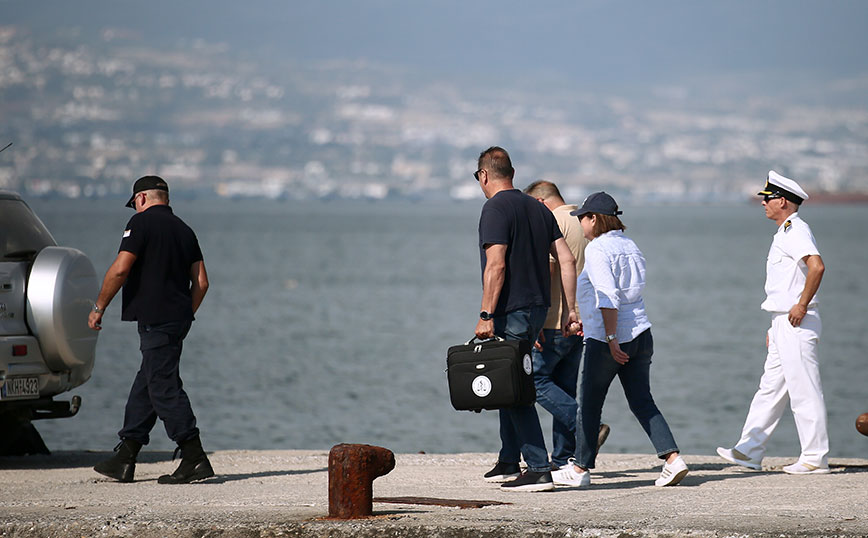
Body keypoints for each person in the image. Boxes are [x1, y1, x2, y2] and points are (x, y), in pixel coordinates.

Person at [552, 192, 689, 488]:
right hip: (641, 332)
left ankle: (579, 471)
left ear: (593, 219)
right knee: (642, 401)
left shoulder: (598, 249)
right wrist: (582, 320)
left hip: (609, 340)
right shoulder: (631, 245)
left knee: (589, 404)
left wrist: (611, 338)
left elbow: (609, 297)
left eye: (583, 219)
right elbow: (627, 294)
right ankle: (673, 459)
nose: (581, 225)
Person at [88, 175, 214, 484]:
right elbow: (201, 283)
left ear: (141, 199)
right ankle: (126, 455)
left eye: (135, 203)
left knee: (163, 386)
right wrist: (183, 314)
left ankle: (194, 456)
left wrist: (98, 307)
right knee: (147, 382)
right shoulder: (185, 230)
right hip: (177, 319)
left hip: (156, 320)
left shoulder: (140, 223)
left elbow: (121, 268)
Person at [474, 147, 579, 492]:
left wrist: (486, 314)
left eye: (478, 178)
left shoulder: (494, 208)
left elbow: (496, 265)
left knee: (514, 387)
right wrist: (572, 308)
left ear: (484, 175)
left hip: (510, 310)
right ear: (513, 173)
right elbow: (565, 259)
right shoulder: (538, 208)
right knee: (509, 380)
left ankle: (537, 467)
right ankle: (509, 459)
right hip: (538, 310)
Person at [717, 171, 828, 474]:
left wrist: (801, 305)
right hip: (783, 321)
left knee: (804, 388)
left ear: (782, 201)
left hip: (796, 320)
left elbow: (817, 267)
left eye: (768, 199)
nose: (764, 204)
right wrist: (776, 325)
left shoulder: (796, 229)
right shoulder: (784, 232)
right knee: (770, 388)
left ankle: (815, 457)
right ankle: (748, 451)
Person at [523, 180, 610, 469]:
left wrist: (533, 321)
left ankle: (587, 426)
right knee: (565, 386)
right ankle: (563, 458)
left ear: (539, 202)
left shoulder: (551, 223)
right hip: (585, 321)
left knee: (534, 381)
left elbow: (548, 273)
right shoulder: (587, 225)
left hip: (555, 319)